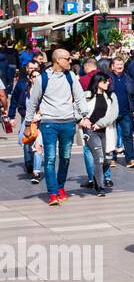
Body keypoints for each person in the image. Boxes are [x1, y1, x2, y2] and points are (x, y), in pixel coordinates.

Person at [24, 47, 91, 205]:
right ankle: (53, 192)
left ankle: (60, 187)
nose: (70, 61)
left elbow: (79, 96)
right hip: (49, 124)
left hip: (68, 122)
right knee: (50, 158)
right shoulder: (43, 79)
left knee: (66, 157)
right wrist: (27, 124)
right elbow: (33, 103)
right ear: (58, 60)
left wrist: (84, 115)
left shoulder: (71, 76)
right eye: (67, 59)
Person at [82, 73, 118, 196]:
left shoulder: (111, 96)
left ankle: (96, 176)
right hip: (91, 131)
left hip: (106, 130)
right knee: (99, 158)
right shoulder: (87, 95)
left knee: (108, 159)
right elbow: (77, 108)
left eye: (108, 81)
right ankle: (100, 186)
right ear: (98, 82)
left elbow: (114, 113)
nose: (108, 83)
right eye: (105, 81)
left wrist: (101, 124)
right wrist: (84, 119)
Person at [10, 62, 41, 183]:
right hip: (26, 118)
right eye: (31, 68)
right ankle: (29, 162)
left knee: (38, 143)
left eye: (35, 68)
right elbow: (15, 101)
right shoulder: (22, 85)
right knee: (27, 139)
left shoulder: (44, 86)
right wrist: (12, 116)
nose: (32, 70)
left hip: (40, 120)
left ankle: (35, 166)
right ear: (27, 70)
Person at [107, 57, 134, 169]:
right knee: (112, 136)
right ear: (112, 66)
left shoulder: (128, 78)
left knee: (127, 135)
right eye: (117, 64)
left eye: (121, 64)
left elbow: (133, 95)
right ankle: (112, 159)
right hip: (112, 112)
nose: (120, 66)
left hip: (126, 111)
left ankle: (130, 159)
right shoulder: (108, 78)